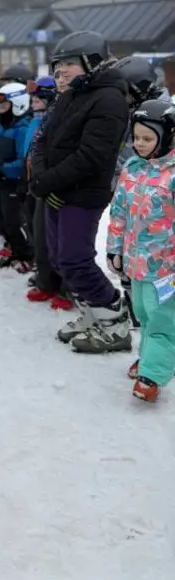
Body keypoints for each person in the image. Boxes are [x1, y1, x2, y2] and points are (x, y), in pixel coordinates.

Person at [29, 31, 130, 354]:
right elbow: (44, 140)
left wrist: (49, 181)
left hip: (83, 194)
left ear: (92, 62)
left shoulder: (109, 99)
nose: (62, 71)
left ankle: (114, 323)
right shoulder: (70, 95)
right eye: (58, 66)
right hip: (58, 190)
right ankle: (93, 315)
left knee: (76, 260)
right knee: (60, 259)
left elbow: (92, 156)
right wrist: (42, 176)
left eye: (69, 64)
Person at [107, 98, 175, 402]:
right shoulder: (132, 168)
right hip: (136, 262)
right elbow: (119, 212)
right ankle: (151, 357)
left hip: (167, 267)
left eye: (148, 138)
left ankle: (152, 374)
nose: (140, 144)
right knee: (145, 314)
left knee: (162, 319)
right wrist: (114, 249)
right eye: (136, 137)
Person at [0, 82, 35, 272]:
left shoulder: (22, 129)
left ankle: (27, 255)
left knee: (13, 222)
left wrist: (3, 169)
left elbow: (23, 160)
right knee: (1, 220)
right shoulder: (1, 127)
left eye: (4, 105)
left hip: (13, 183)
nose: (0, 109)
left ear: (18, 105)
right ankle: (13, 249)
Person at [21, 77, 64, 305]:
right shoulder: (35, 120)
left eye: (38, 99)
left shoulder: (55, 118)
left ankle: (63, 286)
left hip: (51, 182)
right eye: (32, 99)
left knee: (55, 238)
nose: (34, 103)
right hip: (34, 181)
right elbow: (29, 151)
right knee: (37, 232)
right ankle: (45, 280)